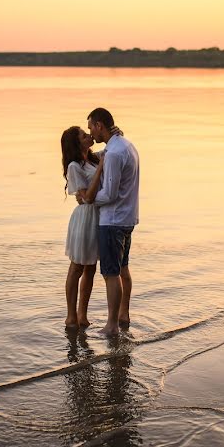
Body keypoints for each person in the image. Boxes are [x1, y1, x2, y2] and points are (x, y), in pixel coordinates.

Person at [82, 108, 140, 336]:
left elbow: (110, 194)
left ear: (99, 125)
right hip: (127, 217)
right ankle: (123, 315)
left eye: (91, 128)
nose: (90, 133)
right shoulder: (125, 145)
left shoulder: (114, 153)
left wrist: (89, 199)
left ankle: (112, 325)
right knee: (123, 268)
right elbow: (101, 154)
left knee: (111, 273)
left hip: (113, 220)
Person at [61, 126, 100, 329]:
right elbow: (84, 197)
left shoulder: (91, 159)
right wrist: (101, 167)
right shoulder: (74, 166)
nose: (88, 136)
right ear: (77, 143)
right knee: (77, 267)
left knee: (91, 267)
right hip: (85, 218)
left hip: (97, 217)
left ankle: (82, 315)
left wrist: (113, 133)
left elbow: (110, 152)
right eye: (84, 136)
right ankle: (70, 316)